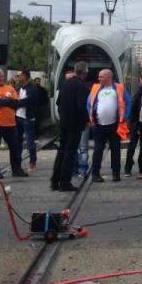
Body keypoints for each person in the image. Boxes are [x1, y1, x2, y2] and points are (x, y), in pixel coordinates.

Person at [51, 61, 90, 192]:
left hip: (64, 122)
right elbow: (81, 107)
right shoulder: (81, 86)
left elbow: (58, 102)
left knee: (61, 150)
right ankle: (65, 182)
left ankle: (54, 181)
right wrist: (87, 120)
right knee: (70, 152)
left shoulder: (65, 84)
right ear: (84, 73)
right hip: (75, 124)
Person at [88, 69, 131, 183]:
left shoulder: (120, 88)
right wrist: (91, 118)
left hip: (115, 125)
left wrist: (123, 118)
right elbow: (89, 104)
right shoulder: (95, 88)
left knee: (116, 149)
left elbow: (127, 103)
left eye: (101, 76)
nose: (99, 78)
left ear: (109, 77)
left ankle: (116, 173)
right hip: (98, 125)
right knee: (98, 150)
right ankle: (95, 173)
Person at [0, 68, 27, 180]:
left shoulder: (10, 88)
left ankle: (16, 169)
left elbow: (17, 103)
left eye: (0, 76)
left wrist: (4, 100)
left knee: (15, 147)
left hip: (10, 123)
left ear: (3, 77)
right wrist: (8, 100)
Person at [14, 70, 39, 172]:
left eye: (18, 76)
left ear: (24, 76)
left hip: (28, 119)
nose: (17, 77)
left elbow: (29, 101)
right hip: (17, 117)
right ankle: (16, 163)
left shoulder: (32, 89)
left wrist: (17, 102)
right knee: (17, 142)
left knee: (30, 142)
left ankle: (32, 163)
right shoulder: (18, 89)